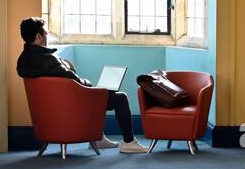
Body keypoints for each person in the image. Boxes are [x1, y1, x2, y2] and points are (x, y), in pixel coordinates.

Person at [15, 18, 149, 154]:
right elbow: (74, 80)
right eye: (46, 34)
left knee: (101, 93)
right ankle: (129, 142)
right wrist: (89, 83)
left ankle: (99, 138)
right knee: (120, 98)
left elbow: (62, 80)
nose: (47, 37)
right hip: (72, 106)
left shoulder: (23, 59)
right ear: (38, 36)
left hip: (54, 108)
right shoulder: (48, 59)